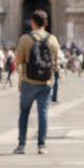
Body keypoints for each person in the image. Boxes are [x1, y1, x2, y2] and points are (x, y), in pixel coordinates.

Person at [13, 10, 60, 154]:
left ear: (32, 22)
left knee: (24, 113)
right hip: (45, 83)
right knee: (43, 113)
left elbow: (18, 61)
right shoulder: (53, 39)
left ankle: (21, 145)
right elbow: (56, 63)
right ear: (46, 23)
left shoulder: (25, 39)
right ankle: (42, 145)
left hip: (28, 82)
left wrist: (21, 78)